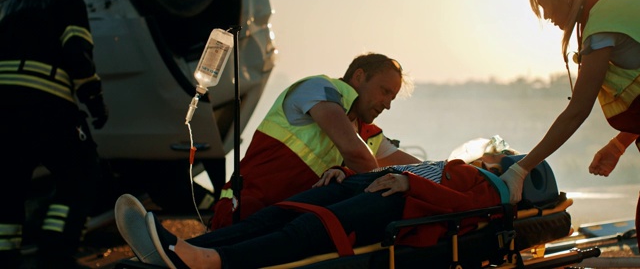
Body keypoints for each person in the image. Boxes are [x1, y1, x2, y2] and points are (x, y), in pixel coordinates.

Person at [116, 142, 514, 269]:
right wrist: (343, 171)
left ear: (502, 162)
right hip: (368, 184)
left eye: (494, 153)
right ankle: (187, 249)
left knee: (305, 230)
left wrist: (407, 180)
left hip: (399, 204)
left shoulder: (489, 182)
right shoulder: (450, 164)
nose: (486, 153)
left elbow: (467, 208)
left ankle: (203, 262)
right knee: (280, 212)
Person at [500, 0, 640, 239]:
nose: (547, 16)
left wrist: (522, 169)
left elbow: (578, 109)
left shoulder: (601, 24)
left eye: (544, 6)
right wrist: (618, 145)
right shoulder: (621, 5)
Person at [210, 52, 421, 229]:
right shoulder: (318, 88)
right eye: (384, 92)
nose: (387, 105)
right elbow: (355, 153)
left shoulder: (369, 134)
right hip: (241, 211)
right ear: (358, 77)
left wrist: (448, 174)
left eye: (392, 98)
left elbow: (418, 170)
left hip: (284, 226)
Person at [0, 0, 108, 268]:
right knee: (81, 172)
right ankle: (56, 252)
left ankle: (5, 257)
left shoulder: (10, 5)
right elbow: (78, 56)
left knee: (8, 186)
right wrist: (95, 100)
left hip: (4, 113)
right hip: (47, 108)